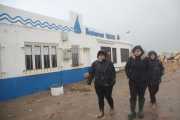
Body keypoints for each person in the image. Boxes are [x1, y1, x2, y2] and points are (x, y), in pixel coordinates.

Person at [87, 50, 116, 118]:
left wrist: (112, 82)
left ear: (105, 56)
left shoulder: (109, 62)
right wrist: (89, 81)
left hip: (107, 84)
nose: (101, 56)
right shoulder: (95, 63)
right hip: (98, 84)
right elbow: (91, 73)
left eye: (102, 55)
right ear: (98, 56)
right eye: (100, 55)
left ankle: (112, 107)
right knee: (100, 98)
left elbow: (112, 73)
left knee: (108, 97)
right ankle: (101, 111)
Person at [125, 45, 151, 119]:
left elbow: (150, 68)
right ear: (133, 52)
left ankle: (140, 111)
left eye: (138, 51)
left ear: (141, 51)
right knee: (133, 96)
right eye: (135, 51)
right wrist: (129, 76)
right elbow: (127, 68)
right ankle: (132, 112)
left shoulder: (146, 59)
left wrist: (146, 77)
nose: (137, 52)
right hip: (133, 82)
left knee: (141, 96)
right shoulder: (130, 59)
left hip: (143, 82)